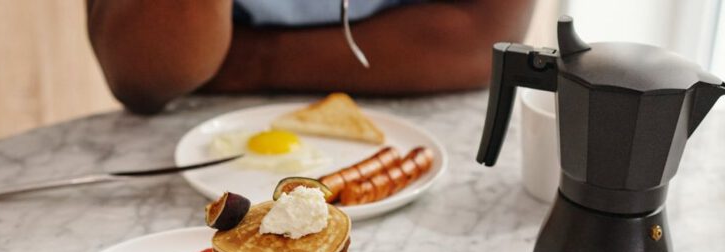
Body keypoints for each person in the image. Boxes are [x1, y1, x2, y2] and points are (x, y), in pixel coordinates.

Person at [87, 0, 534, 115]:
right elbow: (142, 68)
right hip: (196, 135)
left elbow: (483, 39)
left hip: (425, 124)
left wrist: (243, 61)